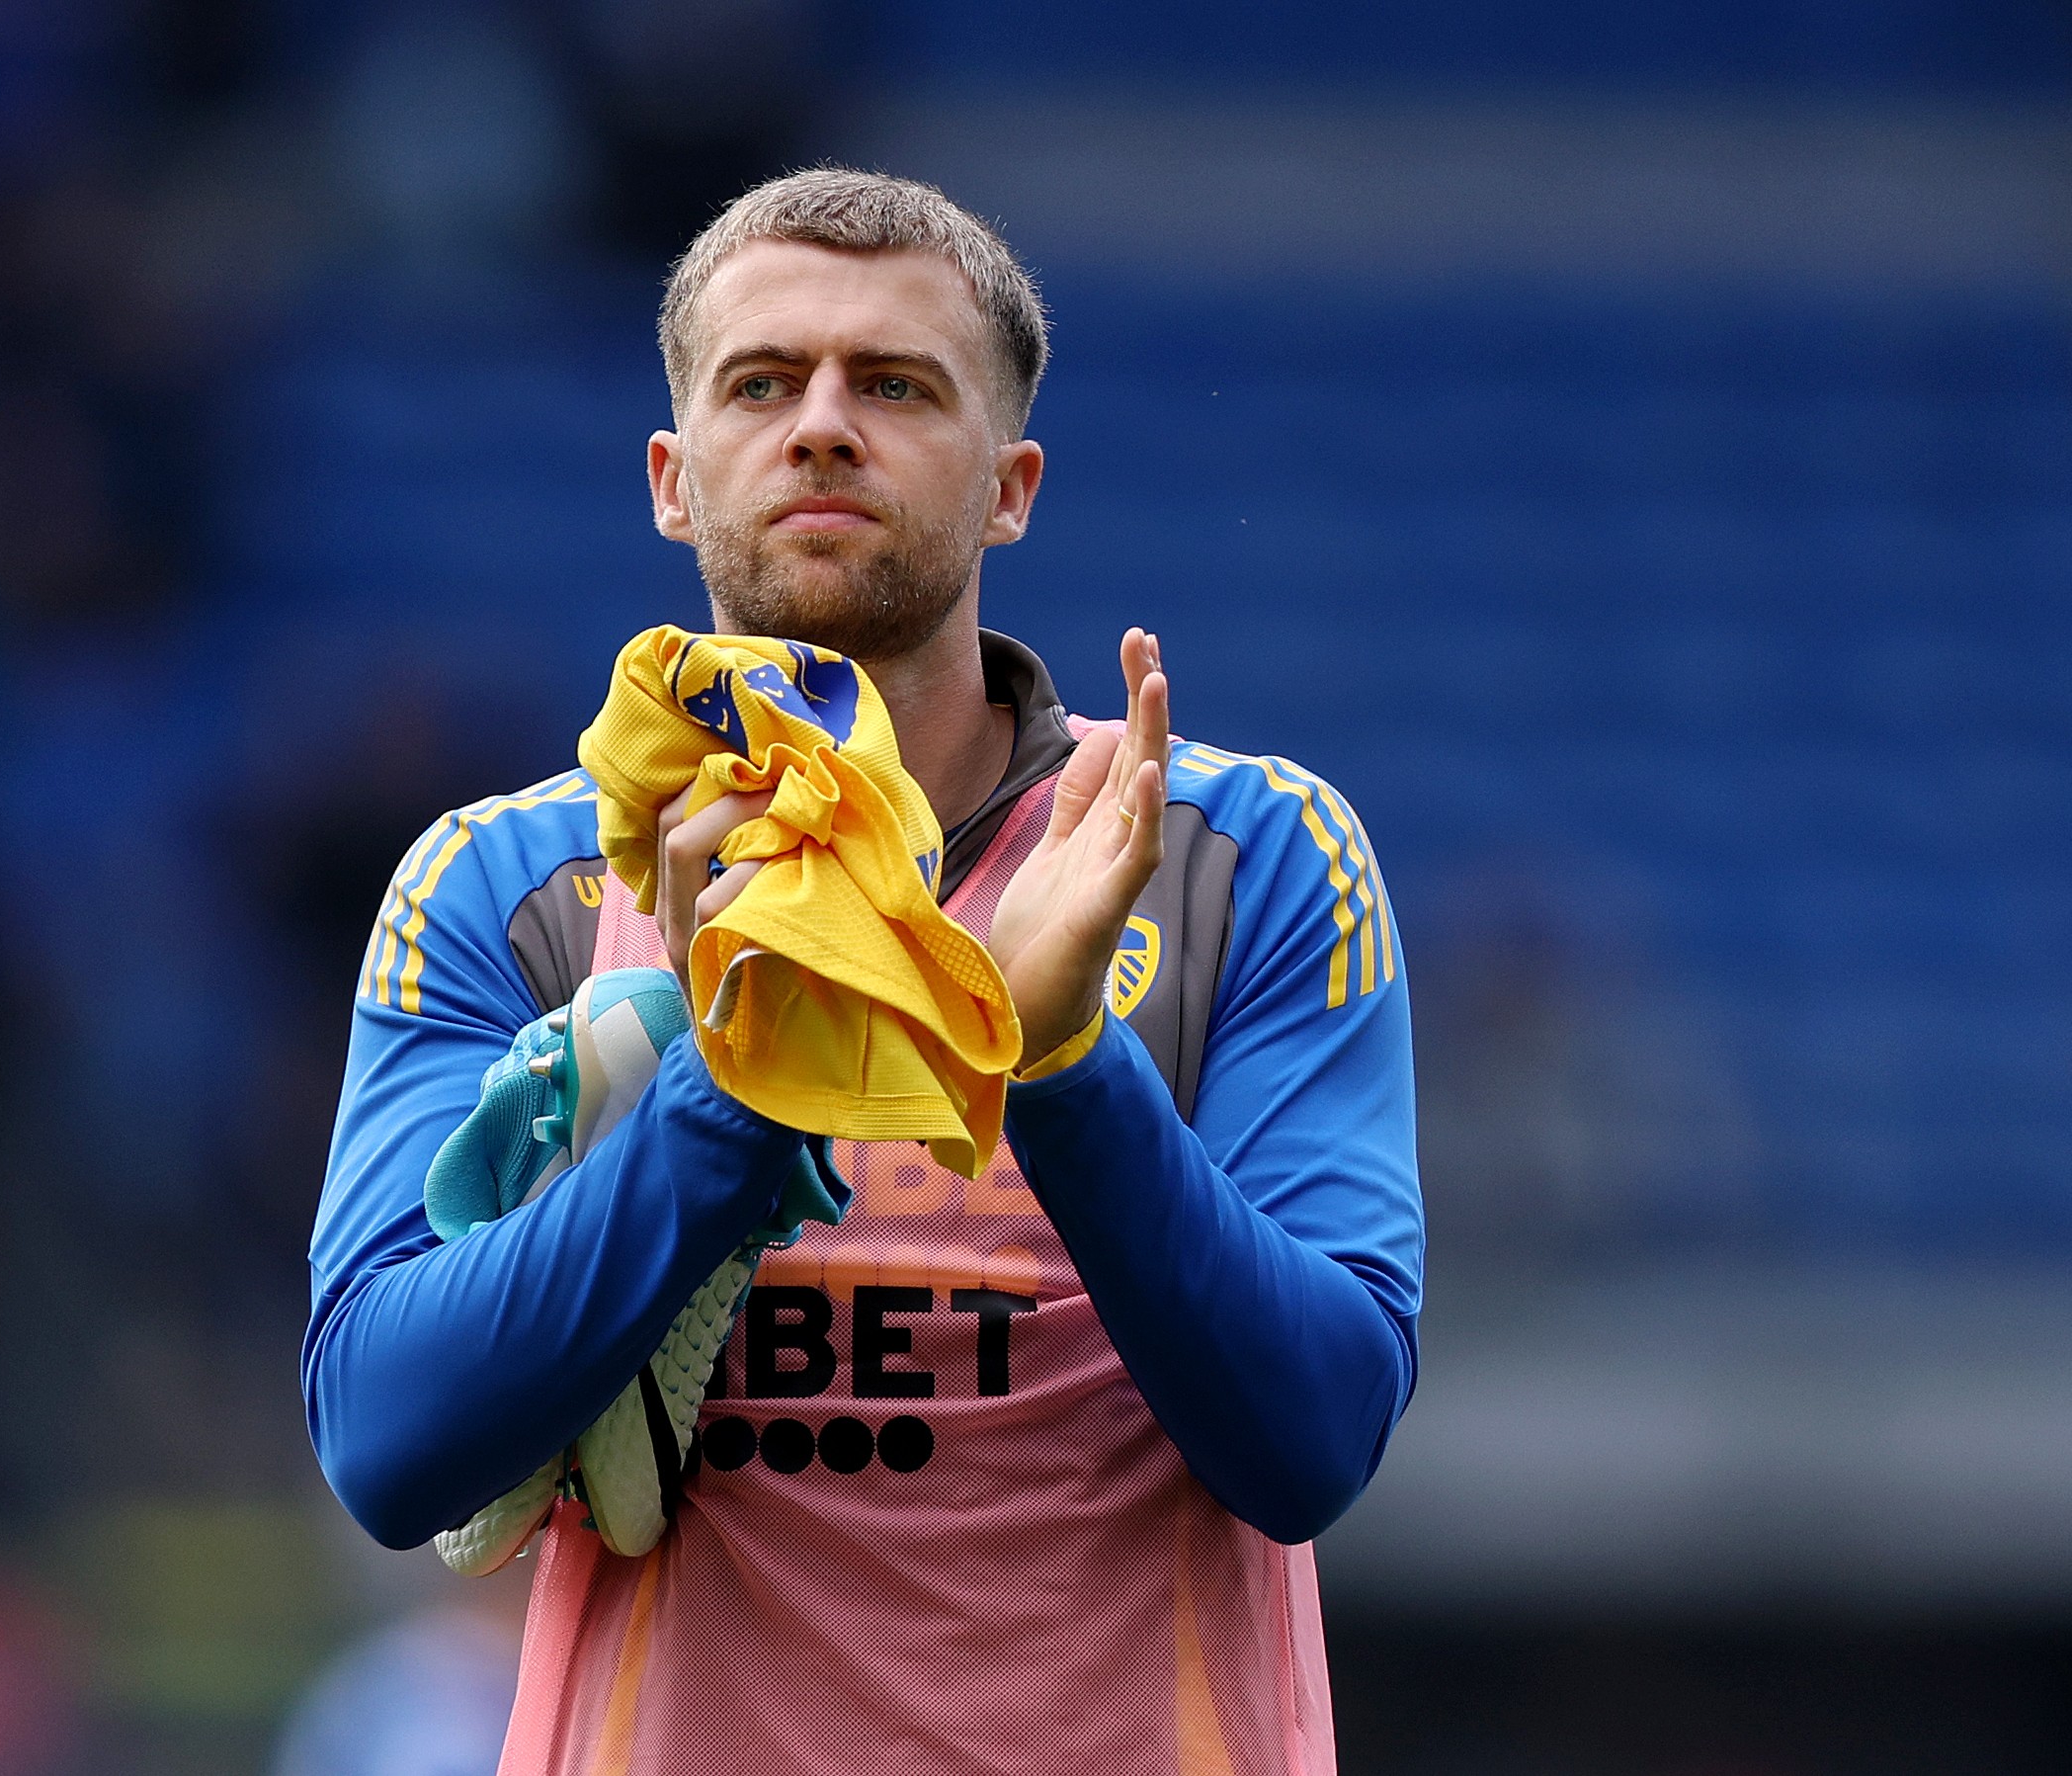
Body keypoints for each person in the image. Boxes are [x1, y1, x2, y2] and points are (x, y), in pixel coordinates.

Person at [304, 169, 1422, 1775]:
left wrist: (1060, 1063)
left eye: (895, 385)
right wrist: (734, 1082)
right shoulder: (509, 887)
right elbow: (389, 1441)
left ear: (1011, 484)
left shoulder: (1231, 848)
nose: (823, 425)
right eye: (764, 383)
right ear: (674, 479)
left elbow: (1314, 1438)